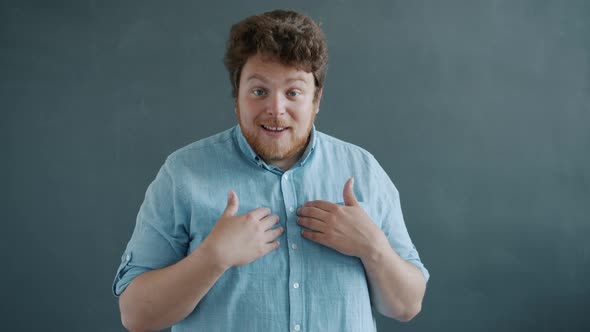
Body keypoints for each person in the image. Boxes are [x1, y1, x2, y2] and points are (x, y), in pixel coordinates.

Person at [112, 9, 429, 332]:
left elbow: (406, 305)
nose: (276, 109)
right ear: (237, 96)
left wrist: (372, 247)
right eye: (259, 91)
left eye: (293, 92)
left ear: (316, 99)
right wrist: (212, 258)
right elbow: (136, 315)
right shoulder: (182, 174)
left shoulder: (363, 172)